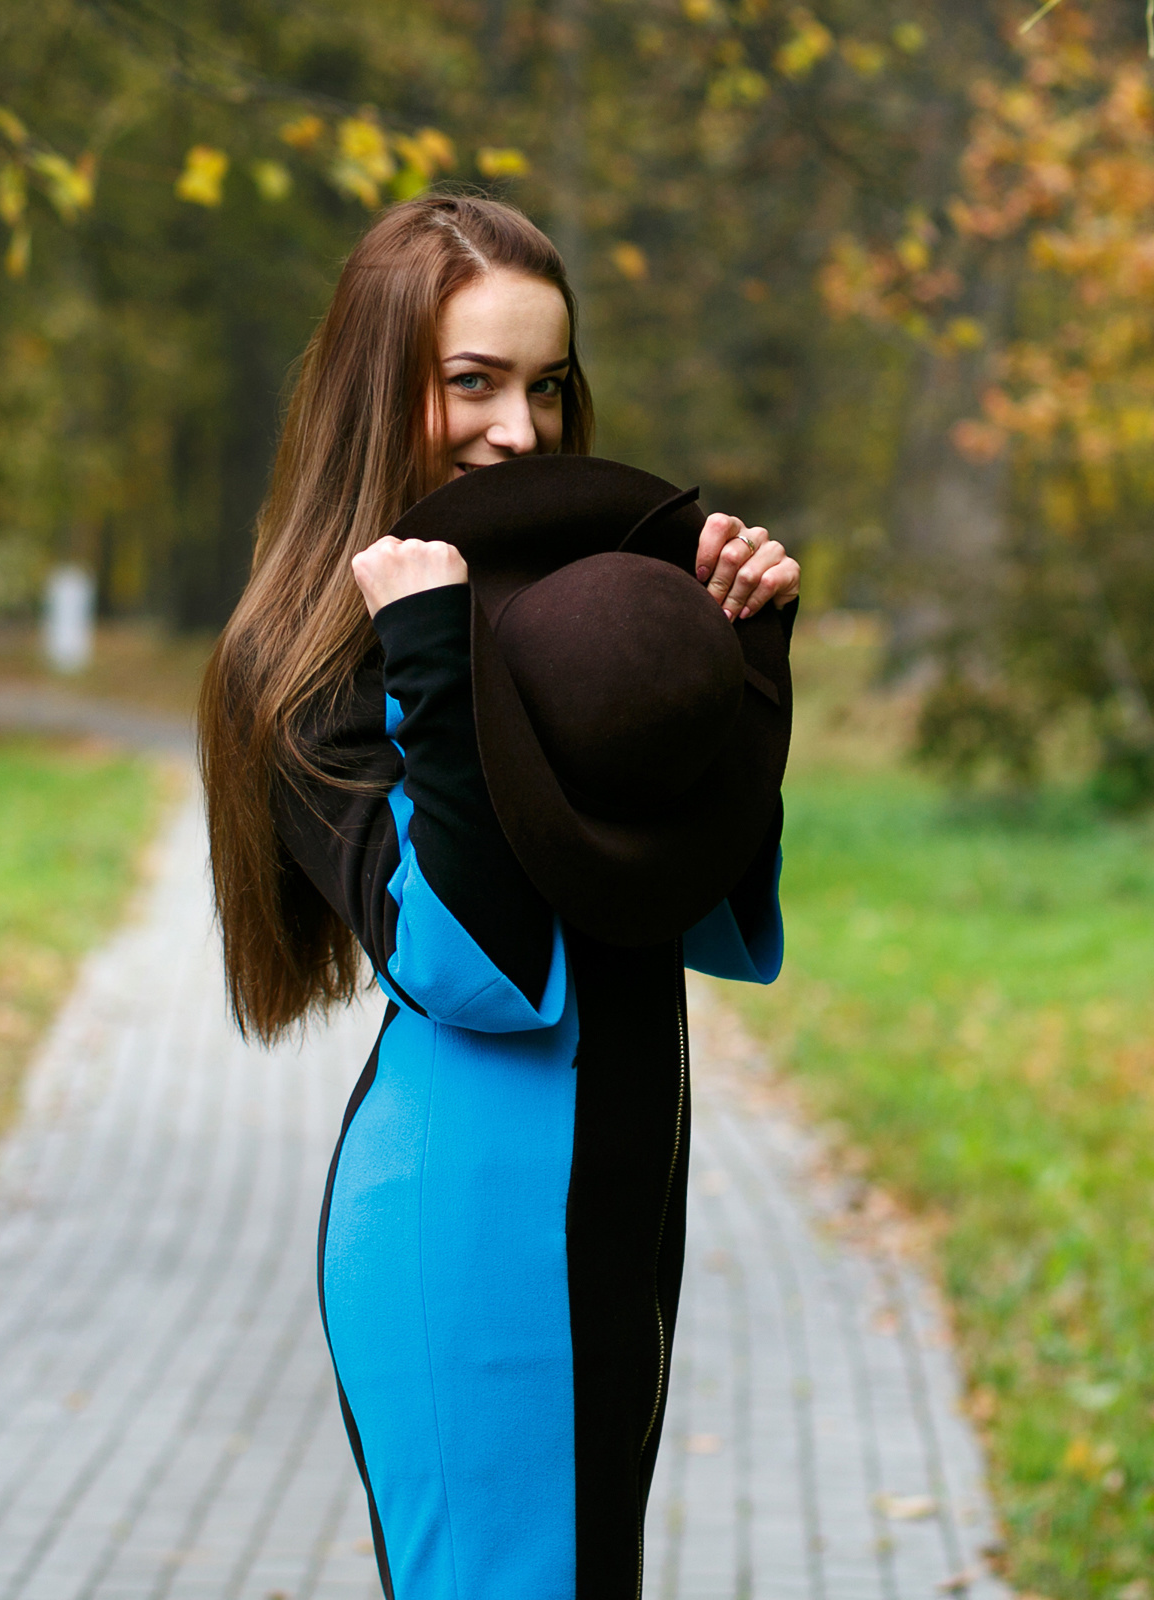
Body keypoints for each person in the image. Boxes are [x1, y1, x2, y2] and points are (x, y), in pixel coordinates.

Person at [196, 193, 798, 1600]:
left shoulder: (571, 618)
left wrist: (737, 664)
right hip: (471, 1217)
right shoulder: (304, 665)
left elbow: (693, 904)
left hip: (621, 1189)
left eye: (547, 384)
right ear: (377, 386)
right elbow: (471, 965)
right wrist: (431, 657)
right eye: (472, 381)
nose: (519, 429)